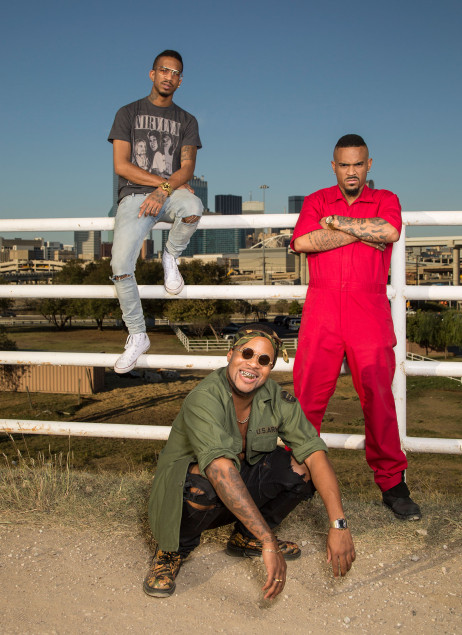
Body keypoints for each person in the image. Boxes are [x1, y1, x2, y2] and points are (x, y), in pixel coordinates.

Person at [144, 324, 355, 599]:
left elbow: (315, 452)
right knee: (203, 483)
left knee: (302, 468)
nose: (253, 365)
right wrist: (270, 542)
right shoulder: (205, 398)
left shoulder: (276, 398)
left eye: (264, 360)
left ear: (270, 368)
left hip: (236, 488)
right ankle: (171, 550)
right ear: (230, 354)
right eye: (247, 353)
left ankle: (246, 536)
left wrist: (338, 524)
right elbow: (219, 469)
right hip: (188, 495)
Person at [290, 134, 421, 521]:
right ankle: (297, 476)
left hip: (369, 310)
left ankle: (392, 484)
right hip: (323, 309)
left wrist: (336, 225)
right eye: (344, 165)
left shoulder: (387, 200)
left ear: (369, 165)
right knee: (306, 398)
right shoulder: (316, 200)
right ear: (334, 166)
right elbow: (303, 241)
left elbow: (390, 232)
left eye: (358, 164)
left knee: (379, 399)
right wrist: (361, 229)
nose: (351, 171)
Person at [108, 50, 203, 374]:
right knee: (120, 264)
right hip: (135, 196)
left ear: (180, 80)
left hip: (170, 193)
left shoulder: (187, 121)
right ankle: (137, 334)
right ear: (152, 74)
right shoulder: (128, 113)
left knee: (193, 208)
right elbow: (122, 166)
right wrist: (162, 185)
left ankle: (170, 257)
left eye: (175, 73)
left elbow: (187, 168)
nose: (169, 77)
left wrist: (165, 191)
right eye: (164, 70)